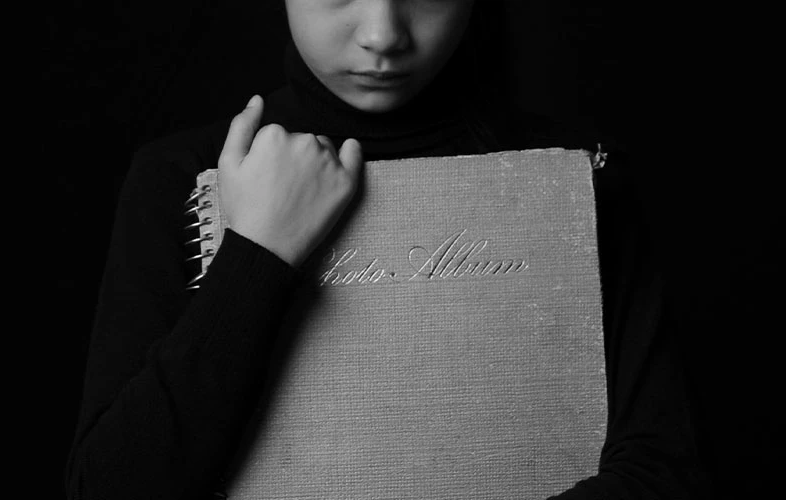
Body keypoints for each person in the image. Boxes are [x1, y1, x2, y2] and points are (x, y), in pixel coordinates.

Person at [64, 1, 711, 498]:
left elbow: (663, 468)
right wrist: (257, 252)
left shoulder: (573, 176)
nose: (383, 34)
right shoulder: (183, 177)